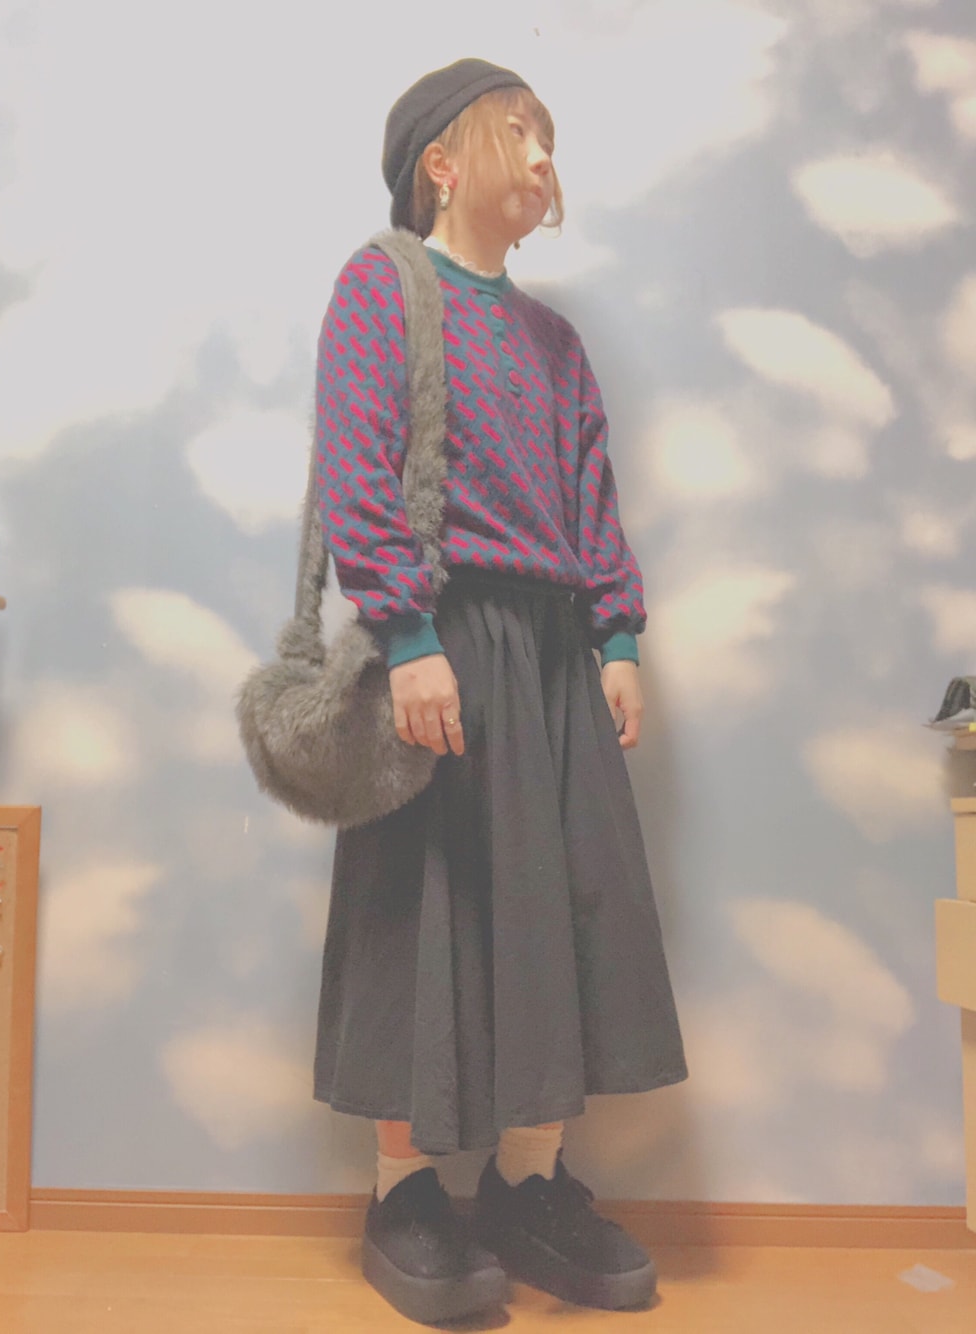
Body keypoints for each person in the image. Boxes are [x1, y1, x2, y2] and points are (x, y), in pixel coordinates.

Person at [311, 58, 687, 1324]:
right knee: (424, 906)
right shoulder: (382, 286)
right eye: (516, 131)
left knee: (555, 904)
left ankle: (530, 1182)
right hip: (440, 641)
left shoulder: (554, 341)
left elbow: (590, 490)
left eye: (548, 138)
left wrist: (616, 632)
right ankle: (405, 1192)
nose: (541, 156)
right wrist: (408, 632)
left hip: (554, 654)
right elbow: (357, 462)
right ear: (441, 161)